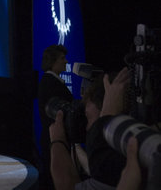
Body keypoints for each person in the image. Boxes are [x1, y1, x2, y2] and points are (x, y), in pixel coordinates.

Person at [49, 67, 130, 190]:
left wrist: (58, 140)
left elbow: (67, 186)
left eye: (89, 117)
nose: (87, 128)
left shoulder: (119, 163)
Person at [37, 44, 73, 189]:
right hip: (54, 141)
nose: (66, 62)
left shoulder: (50, 81)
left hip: (54, 140)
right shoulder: (50, 83)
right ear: (52, 61)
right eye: (62, 58)